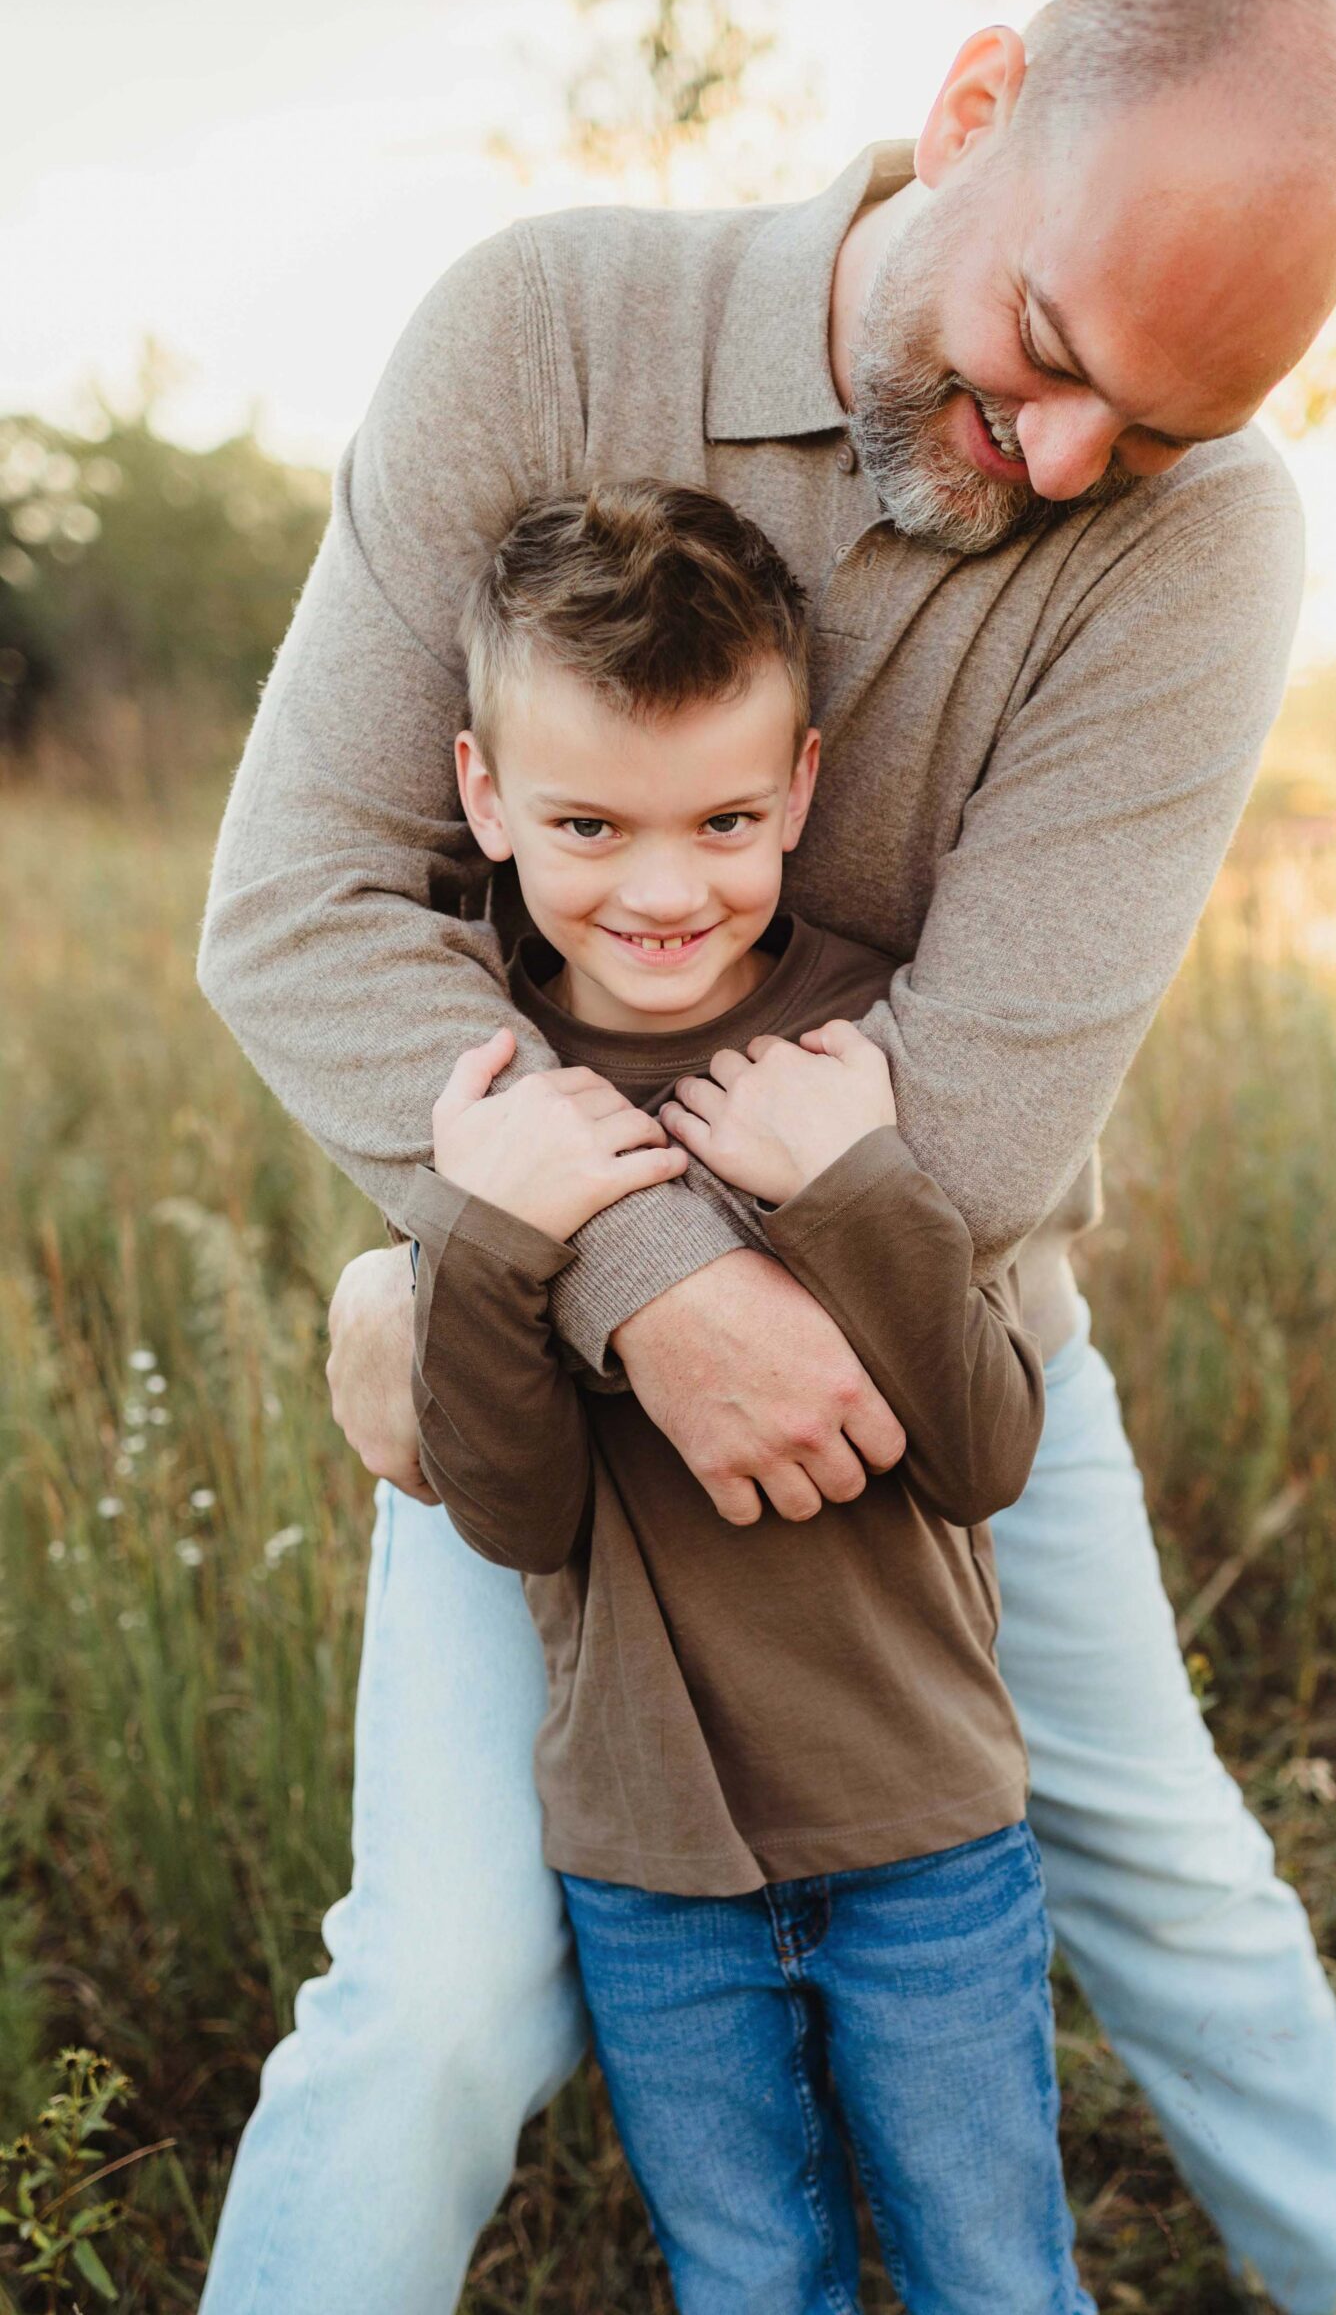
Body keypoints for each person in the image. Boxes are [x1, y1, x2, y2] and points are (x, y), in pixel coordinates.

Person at [196, 0, 1336, 2314]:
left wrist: (654, 1279)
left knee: (1171, 1877)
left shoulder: (1200, 541)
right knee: (443, 1991)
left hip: (939, 1361)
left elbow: (978, 1094)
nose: (1068, 461)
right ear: (972, 109)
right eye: (1053, 355)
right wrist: (627, 1295)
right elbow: (305, 902)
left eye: (1153, 431)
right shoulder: (541, 333)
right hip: (534, 1349)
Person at [410, 473, 1091, 2312]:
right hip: (651, 1862)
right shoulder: (484, 1088)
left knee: (989, 2277)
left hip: (924, 1828)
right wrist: (490, 1242)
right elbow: (513, 1514)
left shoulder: (874, 1045)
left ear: (800, 788)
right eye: (583, 823)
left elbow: (986, 1450)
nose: (661, 887)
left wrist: (858, 1188)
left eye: (724, 817)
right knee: (745, 2279)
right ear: (483, 795)